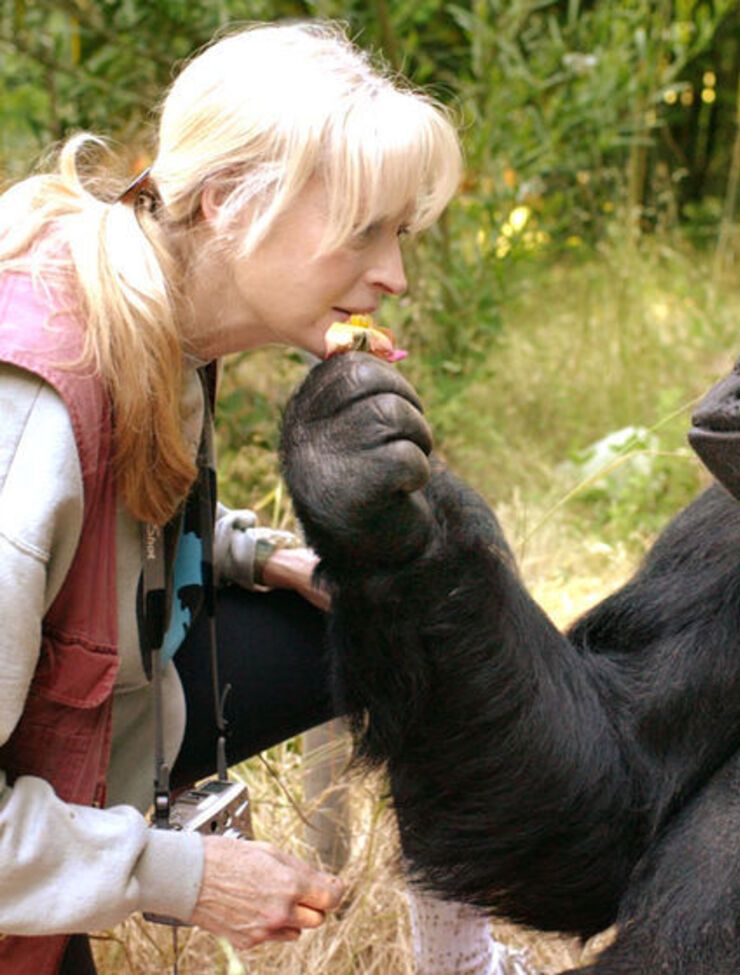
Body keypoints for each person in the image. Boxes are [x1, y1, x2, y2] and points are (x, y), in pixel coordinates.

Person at [0, 20, 496, 974]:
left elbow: (108, 523)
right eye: (366, 231)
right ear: (229, 200)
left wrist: (253, 553)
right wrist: (182, 873)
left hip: (93, 747)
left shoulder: (154, 314)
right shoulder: (35, 401)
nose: (394, 274)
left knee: (386, 616)